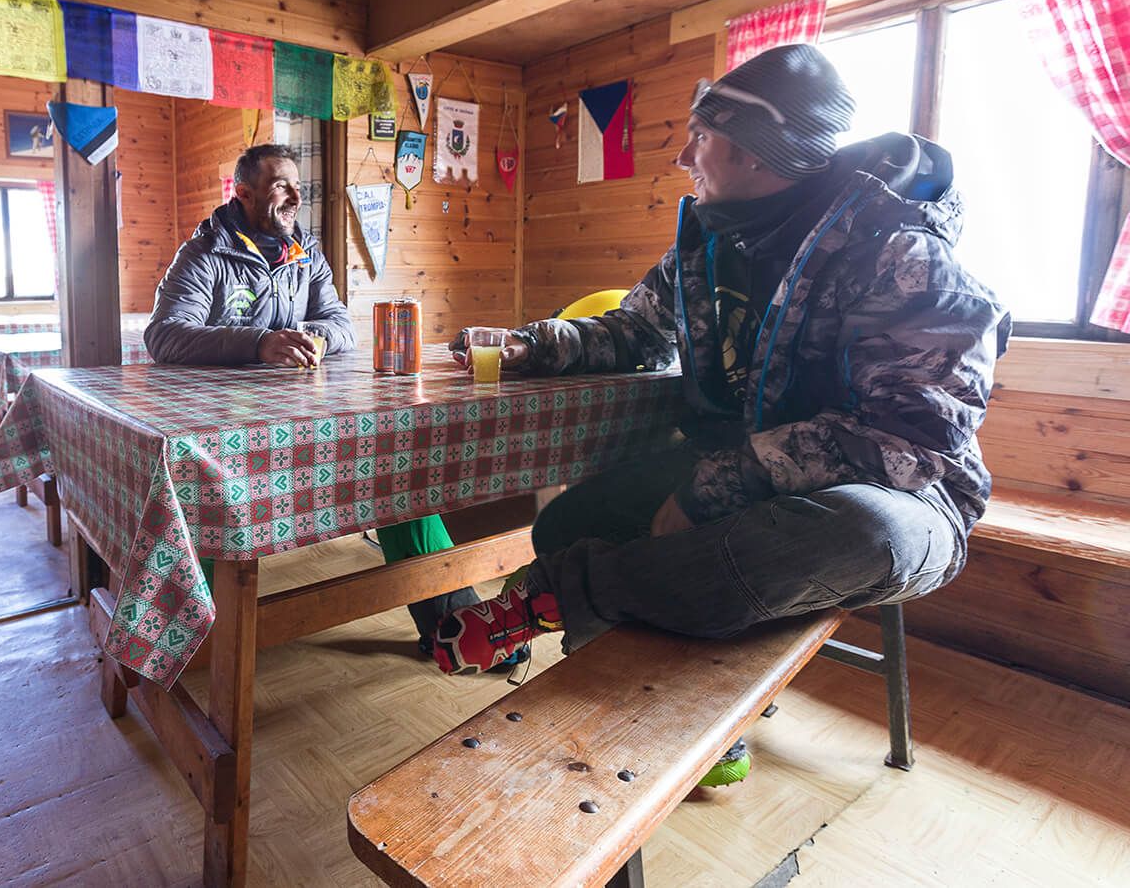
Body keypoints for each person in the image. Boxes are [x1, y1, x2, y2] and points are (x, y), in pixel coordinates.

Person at [437, 45, 1010, 778]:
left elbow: (911, 443)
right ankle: (648, 694)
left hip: (908, 499)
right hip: (744, 461)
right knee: (566, 522)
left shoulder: (900, 253)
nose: (683, 155)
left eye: (700, 137)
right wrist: (530, 345)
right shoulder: (709, 243)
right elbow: (634, 330)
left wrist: (717, 483)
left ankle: (571, 608)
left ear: (753, 152)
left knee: (862, 533)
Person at [146, 144, 510, 661]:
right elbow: (163, 337)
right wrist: (258, 343)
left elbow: (341, 327)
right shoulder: (204, 253)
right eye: (279, 186)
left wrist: (311, 337)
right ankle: (183, 645)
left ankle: (453, 626)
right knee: (196, 493)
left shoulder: (306, 252)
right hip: (222, 425)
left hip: (303, 414)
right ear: (243, 194)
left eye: (297, 185)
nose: (294, 196)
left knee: (394, 466)